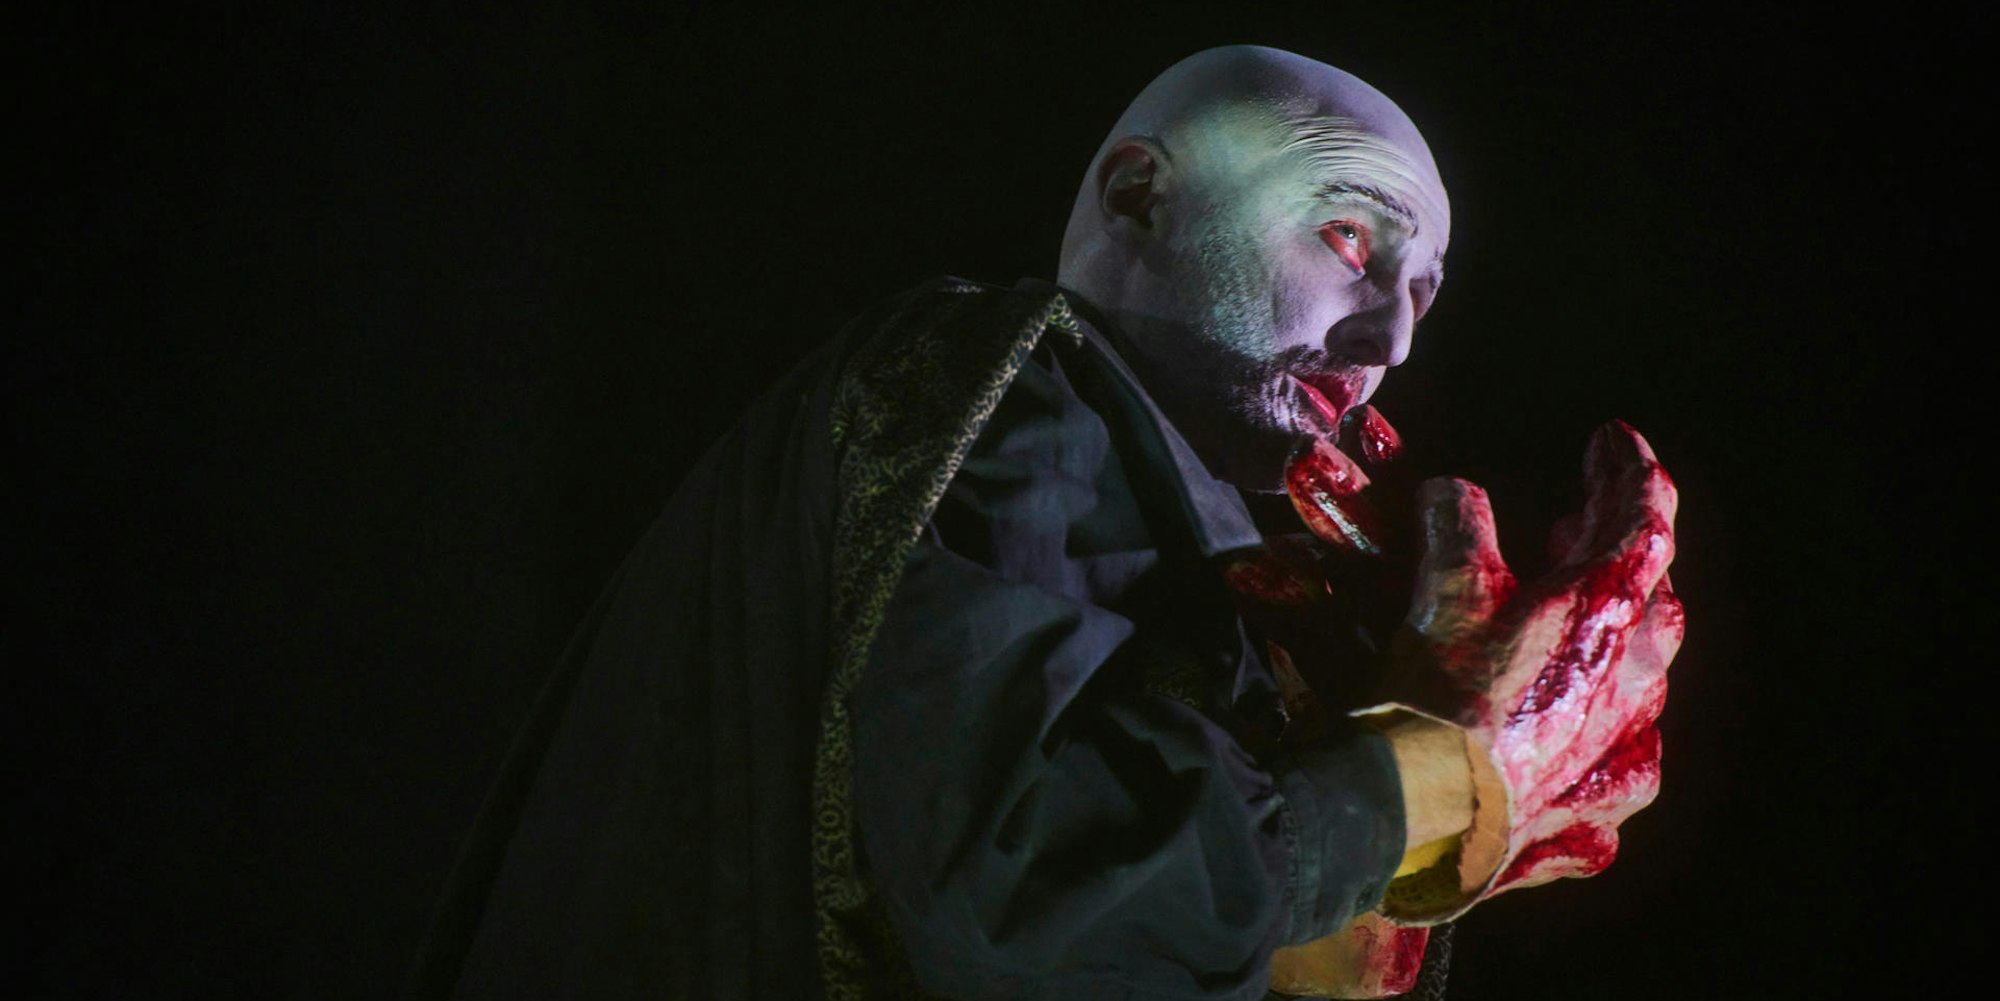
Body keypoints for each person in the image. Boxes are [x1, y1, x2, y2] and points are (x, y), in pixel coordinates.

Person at [406, 45, 1682, 1001]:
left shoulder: (1151, 503)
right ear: (1137, 194)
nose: (1390, 337)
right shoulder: (1000, 377)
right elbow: (1030, 895)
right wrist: (1441, 766)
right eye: (1349, 237)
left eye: (1422, 292)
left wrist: (1405, 806)